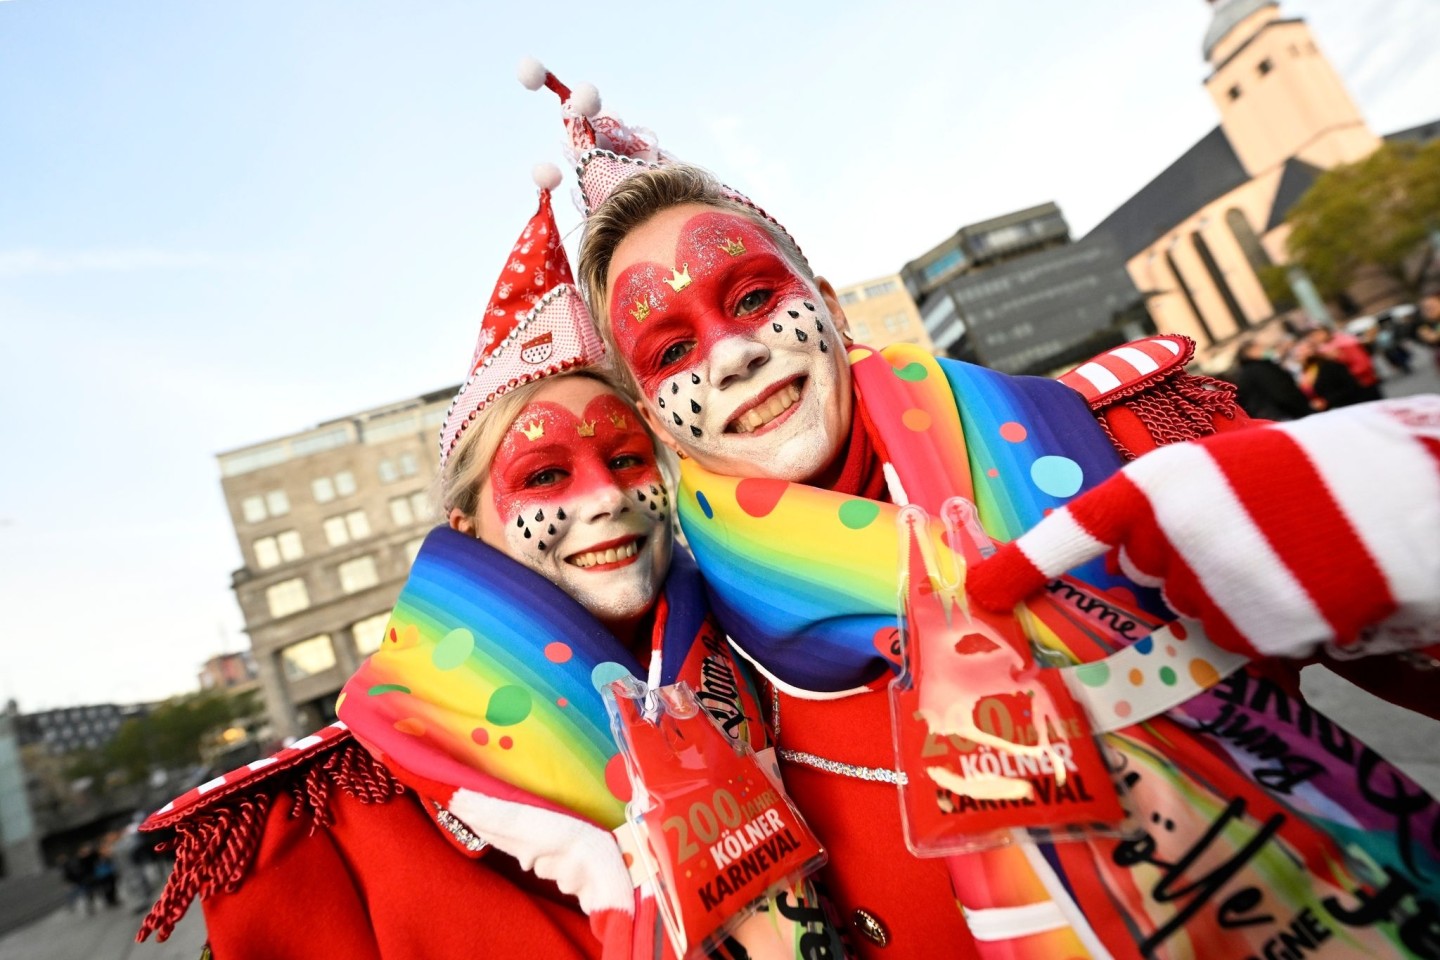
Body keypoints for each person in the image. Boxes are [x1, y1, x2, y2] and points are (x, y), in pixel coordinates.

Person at [525, 66, 1440, 958]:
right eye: (672, 347)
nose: (731, 357)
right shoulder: (715, 686)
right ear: (652, 415)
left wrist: (1392, 526)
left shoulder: (1122, 436)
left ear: (830, 309)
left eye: (755, 299)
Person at [136, 167, 841, 959]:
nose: (605, 498)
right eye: (545, 475)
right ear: (465, 527)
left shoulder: (778, 671)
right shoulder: (322, 832)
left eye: (627, 458)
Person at [1233, 336, 1311, 420]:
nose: (1265, 349)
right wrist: (1304, 408)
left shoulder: (1247, 370)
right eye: (1261, 347)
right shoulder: (1260, 368)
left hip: (1270, 416)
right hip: (1282, 415)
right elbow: (1281, 392)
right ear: (1251, 352)